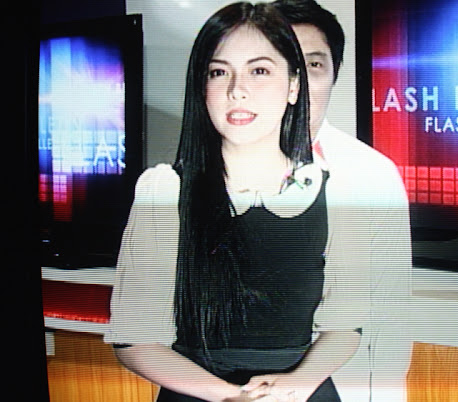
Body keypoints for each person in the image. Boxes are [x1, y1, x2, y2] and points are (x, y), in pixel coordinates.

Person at [105, 3, 368, 401]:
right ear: (202, 87)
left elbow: (346, 327)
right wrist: (230, 396)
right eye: (219, 72)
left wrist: (298, 383)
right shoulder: (164, 192)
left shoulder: (337, 192)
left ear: (293, 85)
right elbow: (133, 340)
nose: (236, 90)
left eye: (259, 71)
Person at [272, 1, 413, 401]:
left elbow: (388, 323)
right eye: (281, 63)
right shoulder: (195, 177)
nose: (297, 83)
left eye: (314, 65)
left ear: (334, 76)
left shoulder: (372, 176)